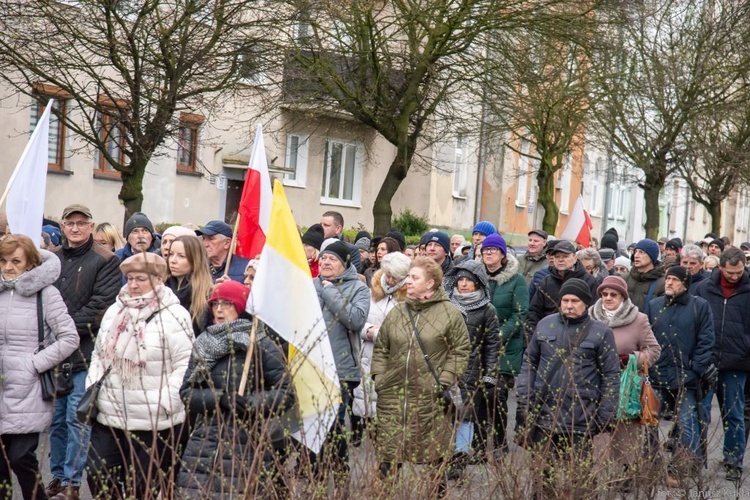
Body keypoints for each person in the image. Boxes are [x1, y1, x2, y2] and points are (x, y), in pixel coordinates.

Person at [86, 252, 194, 497]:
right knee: (98, 474)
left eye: (140, 279)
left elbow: (186, 365)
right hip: (110, 415)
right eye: (130, 279)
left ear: (158, 280)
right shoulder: (116, 310)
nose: (133, 285)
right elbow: (99, 354)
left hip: (153, 420)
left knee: (144, 487)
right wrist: (93, 385)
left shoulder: (175, 315)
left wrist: (165, 403)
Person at [177, 281, 295, 497]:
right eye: (215, 304)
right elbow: (187, 393)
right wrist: (218, 398)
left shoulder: (261, 344)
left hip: (246, 441)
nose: (219, 310)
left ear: (240, 307)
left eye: (227, 304)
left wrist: (250, 403)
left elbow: (285, 393)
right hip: (204, 443)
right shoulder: (204, 343)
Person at [371, 257, 470, 495]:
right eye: (409, 277)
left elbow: (460, 350)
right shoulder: (398, 312)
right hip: (393, 398)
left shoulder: (449, 314)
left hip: (430, 399)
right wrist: (379, 378)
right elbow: (382, 347)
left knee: (433, 462)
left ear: (431, 283)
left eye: (415, 277)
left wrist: (443, 382)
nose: (409, 282)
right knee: (388, 462)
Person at [515, 278, 620, 497]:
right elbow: (529, 362)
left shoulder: (601, 332)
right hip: (544, 415)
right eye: (565, 300)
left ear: (586, 303)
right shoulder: (545, 324)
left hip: (581, 417)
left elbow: (611, 375)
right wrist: (525, 395)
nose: (569, 305)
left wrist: (606, 412)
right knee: (542, 478)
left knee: (580, 480)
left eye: (574, 301)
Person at [48, 204, 121, 500]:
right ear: (63, 227)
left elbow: (101, 306)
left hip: (86, 352)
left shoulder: (107, 260)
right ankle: (56, 476)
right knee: (54, 420)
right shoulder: (51, 261)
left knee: (77, 419)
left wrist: (62, 329)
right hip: (53, 354)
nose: (75, 228)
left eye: (81, 223)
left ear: (91, 227)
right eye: (69, 223)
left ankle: (72, 483)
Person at [0, 236, 79, 500]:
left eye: (15, 261)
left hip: (27, 389)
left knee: (21, 457)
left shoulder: (46, 294)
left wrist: (34, 363)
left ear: (30, 263)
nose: (8, 267)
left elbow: (69, 337)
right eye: (3, 260)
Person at [588, 276, 660, 491]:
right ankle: (593, 473)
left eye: (614, 294)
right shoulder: (589, 316)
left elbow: (654, 350)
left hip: (625, 383)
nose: (608, 298)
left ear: (623, 296)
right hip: (594, 381)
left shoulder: (638, 319)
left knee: (625, 430)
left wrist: (631, 359)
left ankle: (628, 474)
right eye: (604, 294)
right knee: (596, 428)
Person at [645, 266, 714, 487]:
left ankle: (680, 469)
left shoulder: (699, 306)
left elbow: (706, 340)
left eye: (674, 280)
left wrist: (694, 370)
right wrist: (648, 365)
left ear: (685, 283)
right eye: (668, 279)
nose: (669, 283)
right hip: (656, 375)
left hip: (686, 377)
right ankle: (650, 467)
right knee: (648, 422)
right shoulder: (655, 305)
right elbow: (646, 336)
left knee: (687, 424)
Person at [313, 239, 370, 484]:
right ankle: (314, 472)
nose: (326, 261)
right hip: (310, 365)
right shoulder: (307, 285)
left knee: (334, 426)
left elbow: (355, 320)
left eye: (332, 259)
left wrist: (328, 291)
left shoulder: (358, 289)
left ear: (345, 264)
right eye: (323, 257)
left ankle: (340, 473)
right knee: (312, 425)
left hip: (341, 369)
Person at [693, 248, 750, 482]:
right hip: (707, 360)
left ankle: (733, 460)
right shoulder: (704, 289)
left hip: (737, 362)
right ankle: (694, 458)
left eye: (739, 272)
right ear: (720, 268)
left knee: (734, 414)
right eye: (730, 272)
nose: (735, 276)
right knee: (700, 412)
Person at [444, 260, 500, 478]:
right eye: (461, 280)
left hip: (471, 369)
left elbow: (493, 345)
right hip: (444, 367)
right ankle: (442, 455)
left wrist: (490, 377)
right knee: (444, 414)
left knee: (465, 415)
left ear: (478, 283)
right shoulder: (445, 304)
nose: (464, 284)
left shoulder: (487, 310)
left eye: (469, 280)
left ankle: (459, 459)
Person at [352, 252, 411, 447]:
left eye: (395, 276)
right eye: (387, 273)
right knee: (369, 412)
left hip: (395, 362)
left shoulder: (410, 298)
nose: (390, 279)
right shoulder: (371, 293)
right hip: (367, 358)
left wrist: (383, 334)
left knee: (390, 418)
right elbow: (357, 320)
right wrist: (368, 330)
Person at [478, 234, 528, 458]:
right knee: (478, 395)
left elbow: (520, 314)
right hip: (478, 344)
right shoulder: (476, 276)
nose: (488, 253)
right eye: (485, 250)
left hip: (505, 348)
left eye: (493, 250)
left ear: (502, 254)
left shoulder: (516, 280)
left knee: (496, 393)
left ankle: (499, 442)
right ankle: (477, 446)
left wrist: (498, 335)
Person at [525, 240, 598, 334]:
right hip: (548, 335)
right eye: (557, 256)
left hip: (578, 335)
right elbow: (534, 312)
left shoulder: (589, 281)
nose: (560, 260)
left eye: (565, 256)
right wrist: (534, 337)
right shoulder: (546, 282)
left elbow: (593, 312)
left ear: (575, 258)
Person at [166, 235, 213, 334]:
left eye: (181, 256)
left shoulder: (207, 294)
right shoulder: (161, 288)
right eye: (171, 254)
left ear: (195, 260)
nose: (173, 260)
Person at [625, 239, 665, 310]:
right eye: (635, 252)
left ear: (651, 256)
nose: (636, 255)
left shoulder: (663, 283)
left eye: (641, 252)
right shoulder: (625, 278)